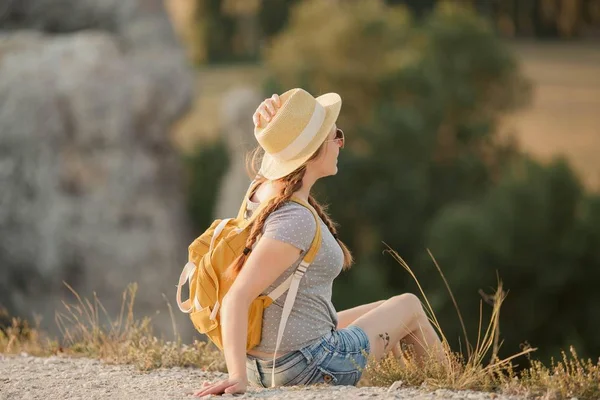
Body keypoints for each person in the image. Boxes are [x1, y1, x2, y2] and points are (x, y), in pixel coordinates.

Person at [192, 88, 444, 397]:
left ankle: (409, 388)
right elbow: (238, 296)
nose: (340, 143)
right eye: (336, 135)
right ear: (312, 152)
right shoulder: (294, 220)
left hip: (279, 359)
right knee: (410, 306)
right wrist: (236, 377)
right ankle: (452, 389)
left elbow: (278, 151)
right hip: (306, 365)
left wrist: (272, 125)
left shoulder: (262, 192)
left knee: (387, 309)